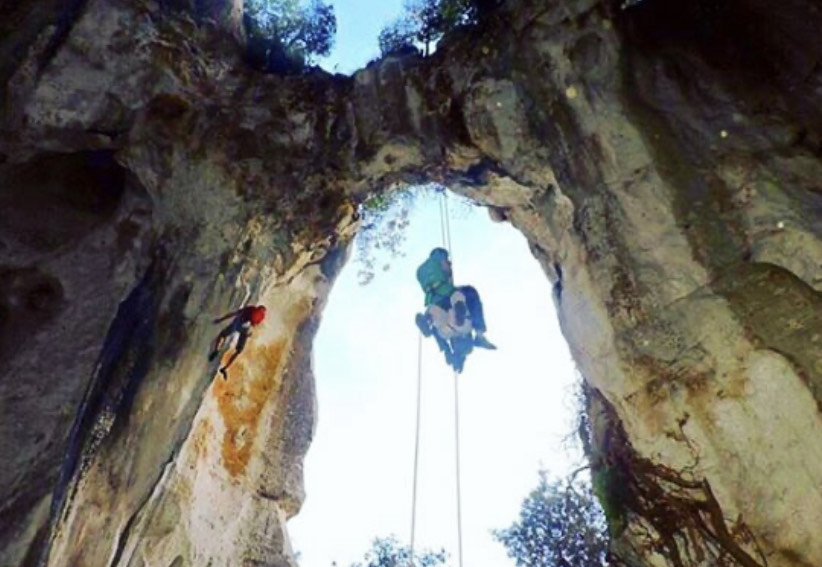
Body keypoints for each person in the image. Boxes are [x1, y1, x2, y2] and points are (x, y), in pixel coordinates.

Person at [415, 248, 496, 372]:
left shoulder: (422, 270)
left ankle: (430, 318)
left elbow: (437, 335)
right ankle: (436, 317)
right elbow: (438, 336)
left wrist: (448, 353)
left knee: (441, 314)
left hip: (441, 313)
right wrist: (448, 353)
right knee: (463, 297)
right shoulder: (439, 260)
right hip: (452, 324)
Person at [208, 304, 266, 379]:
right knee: (238, 351)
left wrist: (220, 319)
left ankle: (216, 350)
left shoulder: (251, 309)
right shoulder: (261, 316)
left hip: (239, 324)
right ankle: (224, 368)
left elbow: (234, 313)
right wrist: (250, 334)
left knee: (222, 335)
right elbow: (254, 326)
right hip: (245, 329)